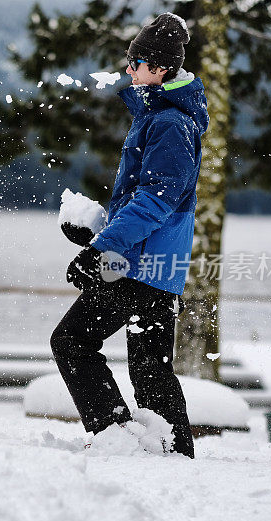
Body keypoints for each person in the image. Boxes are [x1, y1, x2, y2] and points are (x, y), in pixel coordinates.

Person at [51, 13, 208, 458]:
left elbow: (157, 202)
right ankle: (173, 450)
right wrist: (94, 230)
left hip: (141, 268)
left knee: (72, 342)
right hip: (158, 267)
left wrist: (102, 249)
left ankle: (116, 436)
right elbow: (149, 203)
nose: (128, 69)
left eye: (135, 62)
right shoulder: (162, 118)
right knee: (150, 369)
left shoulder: (170, 124)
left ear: (158, 69)